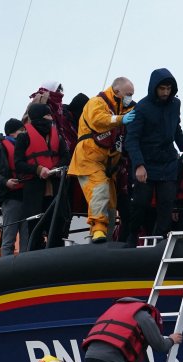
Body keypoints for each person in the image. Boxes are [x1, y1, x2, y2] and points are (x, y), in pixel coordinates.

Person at [125, 68, 183, 238]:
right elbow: (131, 140)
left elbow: (176, 128)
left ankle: (161, 239)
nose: (165, 92)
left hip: (168, 161)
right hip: (146, 162)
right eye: (162, 88)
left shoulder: (175, 104)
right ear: (154, 87)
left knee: (167, 203)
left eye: (168, 89)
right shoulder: (141, 107)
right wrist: (139, 165)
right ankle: (132, 237)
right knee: (141, 203)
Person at [68, 76, 135, 243]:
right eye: (128, 94)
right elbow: (99, 120)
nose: (130, 98)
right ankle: (98, 230)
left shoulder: (122, 110)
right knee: (99, 191)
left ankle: (106, 238)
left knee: (111, 204)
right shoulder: (96, 103)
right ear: (117, 91)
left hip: (108, 165)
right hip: (88, 158)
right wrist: (120, 120)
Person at [15, 102, 71, 250]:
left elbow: (66, 157)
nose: (50, 118)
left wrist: (55, 169)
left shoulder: (57, 137)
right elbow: (18, 163)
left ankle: (56, 255)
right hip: (34, 190)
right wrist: (38, 170)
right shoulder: (24, 137)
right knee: (35, 226)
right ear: (39, 117)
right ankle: (34, 257)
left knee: (57, 223)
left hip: (55, 188)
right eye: (47, 115)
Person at [0, 119, 27, 255]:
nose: (25, 133)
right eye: (22, 131)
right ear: (14, 132)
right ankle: (7, 270)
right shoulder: (0, 148)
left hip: (27, 197)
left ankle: (26, 270)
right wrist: (5, 182)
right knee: (9, 238)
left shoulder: (25, 147)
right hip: (11, 197)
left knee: (27, 238)